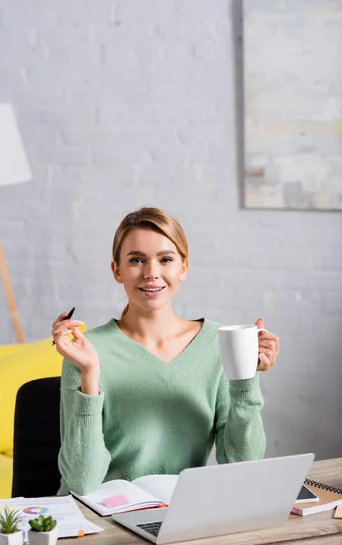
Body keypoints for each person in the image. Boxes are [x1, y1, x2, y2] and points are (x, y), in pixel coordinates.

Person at [52, 207, 280, 495]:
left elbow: (241, 463)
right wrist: (89, 373)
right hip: (99, 520)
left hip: (177, 514)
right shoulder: (85, 352)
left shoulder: (216, 343)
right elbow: (81, 483)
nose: (151, 273)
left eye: (165, 260)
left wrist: (245, 376)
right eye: (136, 260)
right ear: (117, 270)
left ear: (183, 267)